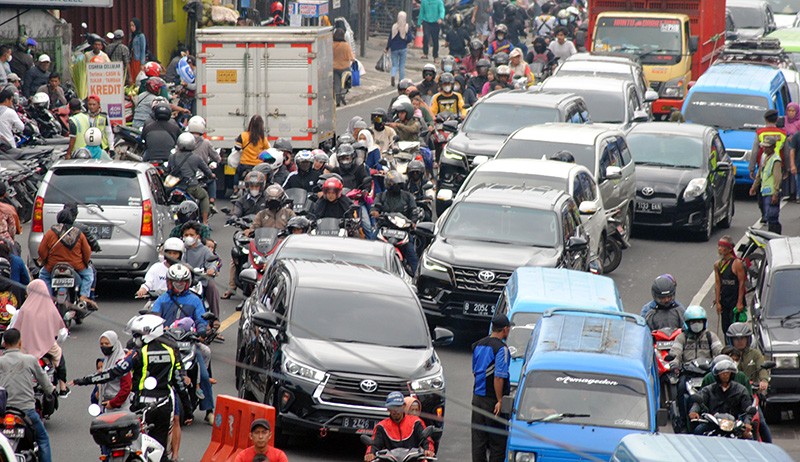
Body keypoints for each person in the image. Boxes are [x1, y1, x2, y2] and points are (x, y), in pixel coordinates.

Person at [72, 314, 193, 458]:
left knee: (135, 446)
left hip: (141, 406)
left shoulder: (138, 353)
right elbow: (179, 383)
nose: (135, 339)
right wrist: (188, 410)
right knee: (160, 449)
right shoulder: (171, 351)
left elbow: (114, 373)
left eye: (137, 335)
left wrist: (83, 380)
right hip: (164, 406)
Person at [0, 328, 54, 462]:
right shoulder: (30, 360)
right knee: (42, 439)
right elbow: (45, 383)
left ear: (4, 344)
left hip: (3, 412)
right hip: (26, 411)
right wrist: (51, 391)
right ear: (19, 343)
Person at [668, 305, 723, 431]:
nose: (696, 324)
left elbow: (719, 351)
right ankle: (682, 420)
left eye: (699, 321)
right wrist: (675, 364)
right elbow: (676, 352)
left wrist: (722, 360)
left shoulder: (711, 336)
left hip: (708, 373)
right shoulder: (682, 337)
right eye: (693, 322)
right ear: (687, 323)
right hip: (688, 374)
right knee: (680, 389)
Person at [13, 279, 69, 399]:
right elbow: (61, 332)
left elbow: (15, 328)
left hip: (24, 347)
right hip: (47, 347)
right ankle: (63, 387)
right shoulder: (51, 309)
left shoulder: (24, 309)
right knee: (59, 355)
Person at [37, 208, 96, 309]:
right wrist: (85, 263)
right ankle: (83, 296)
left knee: (43, 275)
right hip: (76, 266)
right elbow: (87, 251)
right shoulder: (78, 233)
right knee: (89, 275)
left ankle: (48, 298)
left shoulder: (50, 233)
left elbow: (41, 251)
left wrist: (45, 260)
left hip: (53, 266)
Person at [471, 314, 511, 462]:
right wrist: (500, 400)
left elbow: (475, 371)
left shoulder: (478, 345)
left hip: (477, 398)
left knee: (478, 441)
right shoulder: (502, 349)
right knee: (497, 443)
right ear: (505, 329)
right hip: (492, 401)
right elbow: (499, 376)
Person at [689, 358, 753, 438]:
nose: (725, 375)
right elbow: (699, 400)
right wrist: (694, 411)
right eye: (722, 373)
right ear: (717, 375)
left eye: (727, 373)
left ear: (731, 374)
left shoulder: (741, 390)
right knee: (698, 430)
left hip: (734, 424)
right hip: (713, 423)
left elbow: (748, 408)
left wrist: (747, 422)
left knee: (749, 436)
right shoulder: (709, 389)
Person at [365, 392, 435, 462]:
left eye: (398, 406)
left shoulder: (416, 422)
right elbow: (374, 444)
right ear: (388, 409)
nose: (396, 410)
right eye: (392, 407)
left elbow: (427, 439)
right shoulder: (381, 426)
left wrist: (429, 450)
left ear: (404, 406)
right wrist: (370, 454)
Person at [372, 171, 420, 270]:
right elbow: (375, 208)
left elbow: (414, 211)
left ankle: (418, 277)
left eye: (398, 184)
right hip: (384, 229)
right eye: (394, 184)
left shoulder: (408, 196)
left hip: (403, 231)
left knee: (413, 257)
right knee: (371, 245)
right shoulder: (381, 196)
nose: (396, 187)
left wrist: (413, 222)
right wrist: (375, 212)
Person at [168, 132, 215, 224]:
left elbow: (169, 170)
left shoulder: (172, 157)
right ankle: (205, 222)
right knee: (204, 195)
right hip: (191, 186)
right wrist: (212, 175)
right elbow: (207, 171)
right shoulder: (196, 158)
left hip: (174, 187)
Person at [714, 236, 747, 340]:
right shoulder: (717, 265)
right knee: (725, 328)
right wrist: (718, 301)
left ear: (728, 249)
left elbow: (742, 283)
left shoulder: (737, 264)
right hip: (725, 300)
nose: (719, 248)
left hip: (735, 301)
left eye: (722, 246)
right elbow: (718, 283)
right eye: (719, 246)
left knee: (735, 329)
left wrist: (740, 302)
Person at [750, 137, 783, 234]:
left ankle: (775, 237)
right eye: (763, 147)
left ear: (773, 147)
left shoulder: (776, 160)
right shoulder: (764, 157)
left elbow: (777, 178)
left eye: (767, 147)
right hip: (764, 192)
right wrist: (754, 186)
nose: (764, 149)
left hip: (772, 193)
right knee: (767, 215)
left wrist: (775, 193)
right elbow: (760, 173)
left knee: (772, 216)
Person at [233, 115, 271, 198]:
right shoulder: (263, 139)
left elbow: (237, 148)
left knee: (236, 172)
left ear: (250, 124)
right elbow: (268, 152)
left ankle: (235, 189)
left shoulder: (243, 135)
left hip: (244, 165)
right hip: (258, 167)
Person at [188, 116, 221, 208]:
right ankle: (212, 201)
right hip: (202, 172)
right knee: (212, 179)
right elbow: (217, 158)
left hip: (187, 172)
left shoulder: (184, 140)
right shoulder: (206, 143)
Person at [727, 323, 769, 394]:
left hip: (752, 392)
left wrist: (764, 380)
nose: (740, 341)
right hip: (731, 393)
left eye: (743, 338)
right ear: (731, 340)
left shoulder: (755, 354)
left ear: (748, 339)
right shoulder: (726, 355)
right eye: (736, 339)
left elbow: (762, 368)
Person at [386, 11, 414, 87]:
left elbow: (390, 39)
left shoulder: (394, 27)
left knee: (394, 65)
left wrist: (387, 48)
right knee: (402, 65)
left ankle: (393, 74)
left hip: (394, 48)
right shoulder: (406, 27)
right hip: (403, 48)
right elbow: (410, 39)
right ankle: (401, 81)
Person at [333, 28, 355, 106]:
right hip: (345, 67)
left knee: (337, 84)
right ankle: (343, 95)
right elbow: (351, 57)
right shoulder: (345, 45)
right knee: (345, 83)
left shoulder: (332, 44)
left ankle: (337, 101)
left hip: (334, 67)